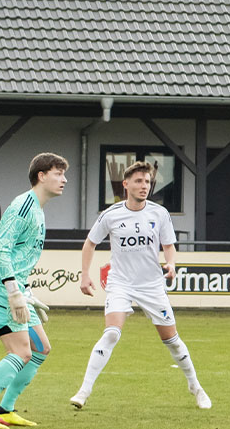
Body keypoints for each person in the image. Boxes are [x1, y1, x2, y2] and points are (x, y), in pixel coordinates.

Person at [72, 161, 211, 410]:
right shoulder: (111, 214)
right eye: (138, 181)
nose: (144, 186)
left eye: (147, 181)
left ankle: (195, 386)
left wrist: (171, 264)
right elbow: (89, 243)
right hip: (121, 283)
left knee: (172, 340)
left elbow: (169, 245)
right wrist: (85, 275)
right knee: (112, 333)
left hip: (152, 285)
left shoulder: (159, 213)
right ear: (126, 185)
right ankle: (84, 391)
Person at [0, 153, 67, 429]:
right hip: (0, 287)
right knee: (22, 352)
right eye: (58, 173)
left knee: (40, 348)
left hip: (15, 287)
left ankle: (5, 409)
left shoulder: (38, 209)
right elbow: (0, 249)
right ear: (41, 176)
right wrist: (12, 291)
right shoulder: (23, 206)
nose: (64, 179)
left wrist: (27, 292)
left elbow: (21, 257)